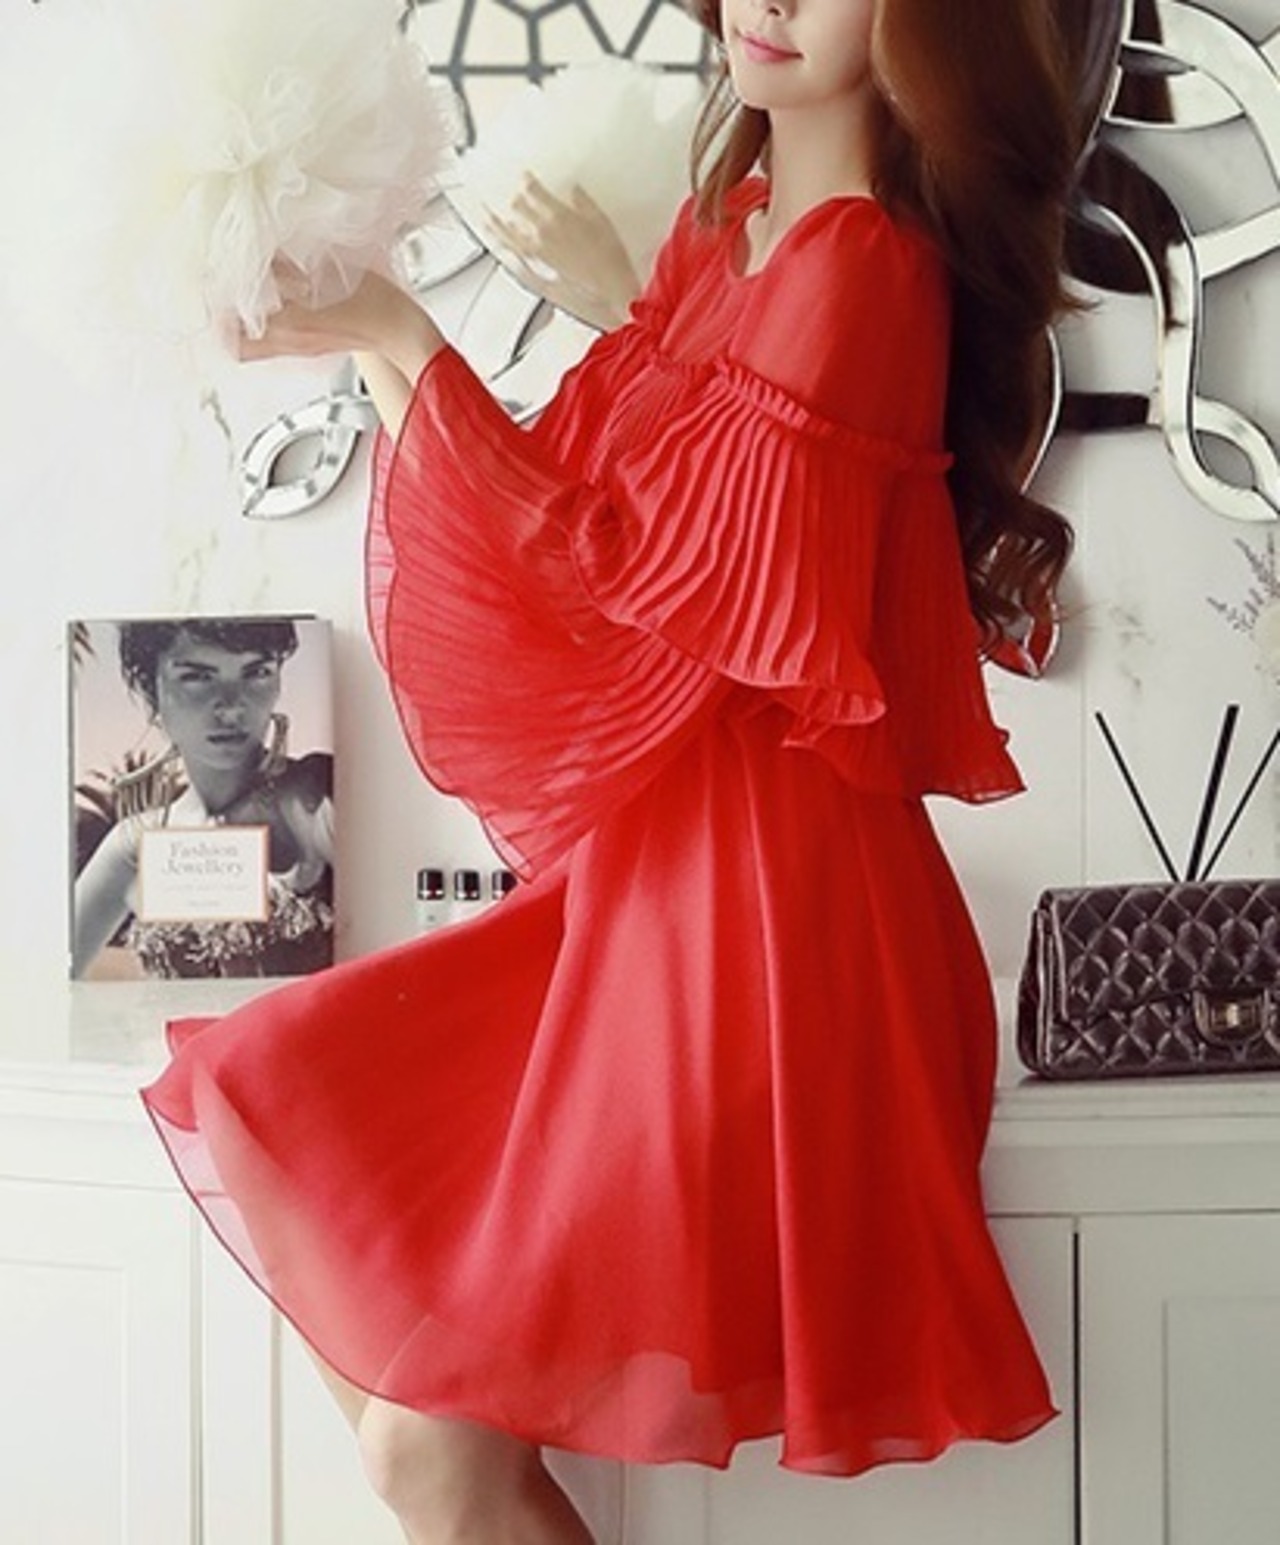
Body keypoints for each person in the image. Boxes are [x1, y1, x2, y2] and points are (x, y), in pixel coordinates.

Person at [142, 0, 1078, 1539]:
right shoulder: (732, 237)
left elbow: (612, 597)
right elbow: (541, 517)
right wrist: (376, 337)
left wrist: (402, 331)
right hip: (660, 899)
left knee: (427, 1447)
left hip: (781, 936)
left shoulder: (867, 268)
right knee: (278, 1106)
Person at [74, 618, 334, 980]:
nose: (231, 708)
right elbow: (50, 976)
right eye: (197, 677)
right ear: (152, 692)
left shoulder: (312, 795)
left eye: (256, 672)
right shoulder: (135, 843)